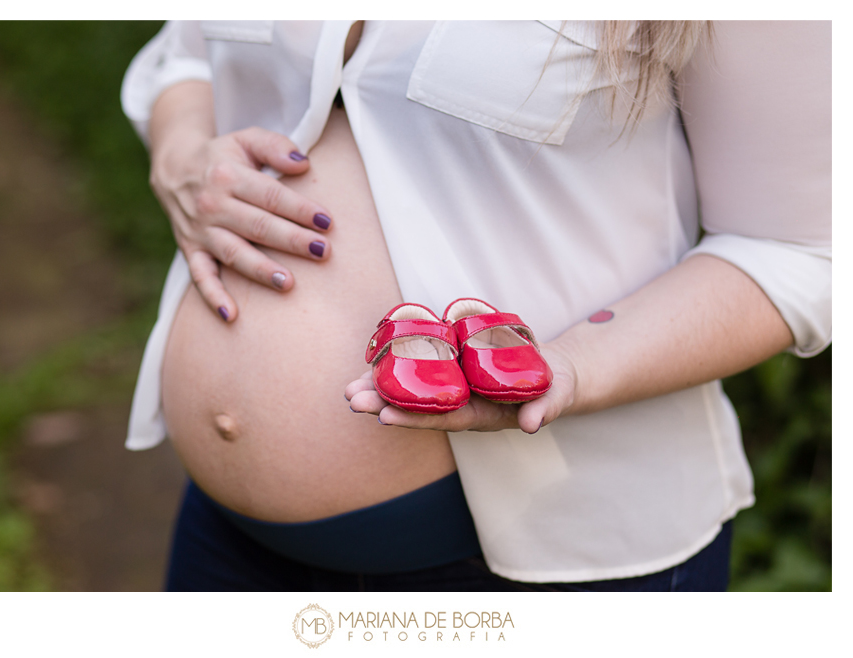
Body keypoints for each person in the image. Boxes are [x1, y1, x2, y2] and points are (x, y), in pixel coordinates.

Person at [121, 20, 831, 591]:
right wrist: (182, 154)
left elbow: (803, 250)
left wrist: (576, 369)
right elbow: (181, 55)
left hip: (548, 568)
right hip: (226, 547)